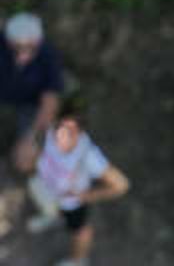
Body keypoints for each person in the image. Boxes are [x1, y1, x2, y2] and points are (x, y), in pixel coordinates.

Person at [26, 97, 129, 266]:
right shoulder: (50, 127)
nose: (60, 135)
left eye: (70, 131)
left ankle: (77, 260)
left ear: (81, 131)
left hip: (71, 202)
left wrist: (85, 196)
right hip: (48, 188)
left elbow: (121, 185)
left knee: (80, 231)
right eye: (60, 126)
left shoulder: (88, 155)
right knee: (48, 206)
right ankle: (52, 216)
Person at [0, 13, 64, 173]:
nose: (23, 52)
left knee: (25, 159)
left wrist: (31, 138)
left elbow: (50, 102)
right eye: (17, 46)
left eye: (29, 46)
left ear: (38, 40)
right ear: (9, 40)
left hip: (30, 106)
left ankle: (13, 174)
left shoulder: (49, 56)